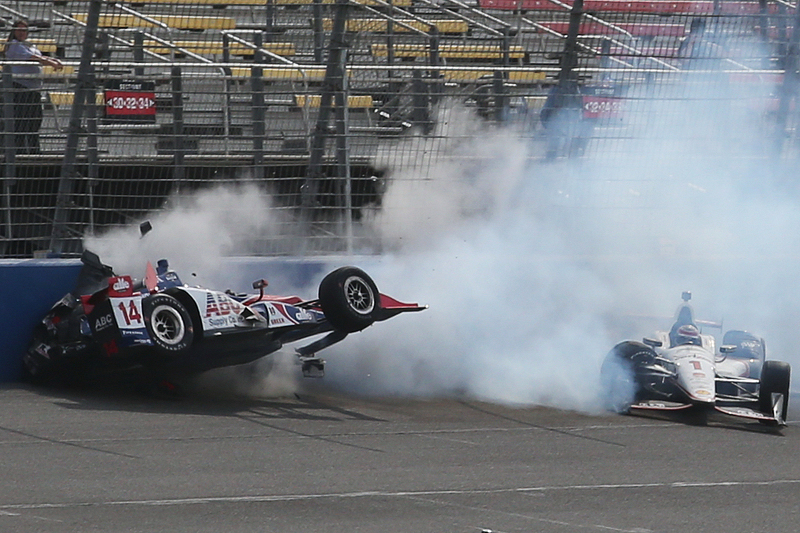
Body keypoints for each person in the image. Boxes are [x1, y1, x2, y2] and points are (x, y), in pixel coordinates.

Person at [3, 20, 63, 154]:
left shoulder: (29, 45)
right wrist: (50, 62)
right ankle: (19, 152)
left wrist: (53, 60)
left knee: (34, 121)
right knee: (21, 121)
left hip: (33, 90)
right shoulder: (13, 45)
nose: (22, 33)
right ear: (13, 31)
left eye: (24, 30)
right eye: (19, 30)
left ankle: (34, 151)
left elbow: (38, 55)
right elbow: (33, 57)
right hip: (20, 89)